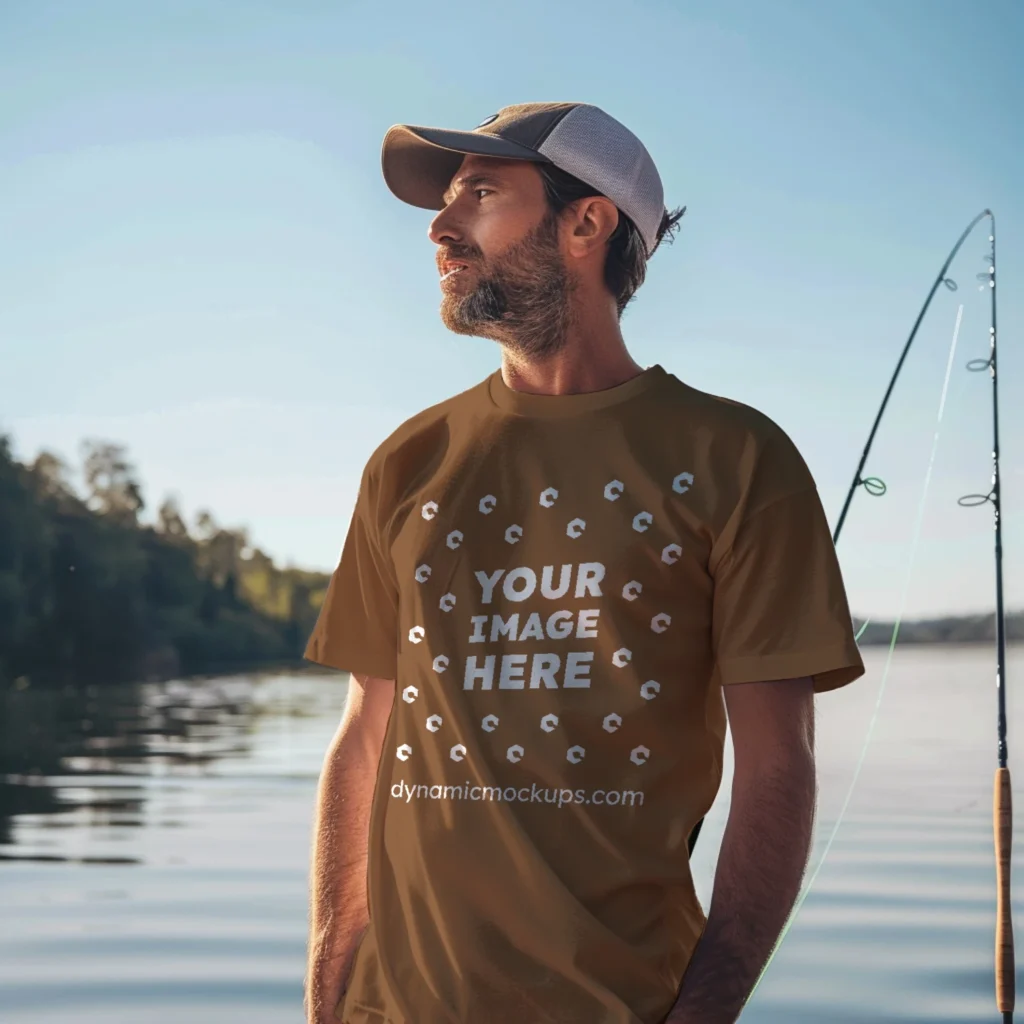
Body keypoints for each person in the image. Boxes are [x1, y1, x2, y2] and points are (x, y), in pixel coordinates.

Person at [303, 101, 865, 1024]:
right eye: (445, 202)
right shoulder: (407, 461)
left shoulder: (736, 459)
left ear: (586, 222)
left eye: (480, 194)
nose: (441, 227)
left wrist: (707, 1008)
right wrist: (329, 991)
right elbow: (367, 737)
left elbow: (778, 766)